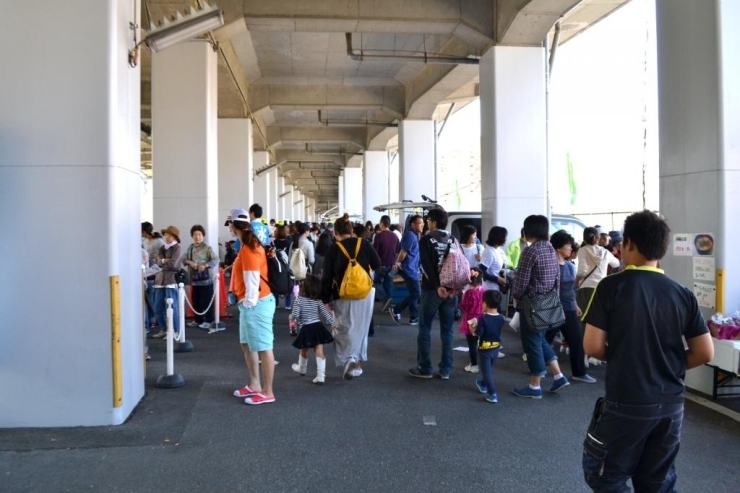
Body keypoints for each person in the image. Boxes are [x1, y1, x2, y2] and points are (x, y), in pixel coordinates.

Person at [581, 210, 713, 492]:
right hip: (671, 405)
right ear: (662, 249)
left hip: (627, 401)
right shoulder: (682, 293)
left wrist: (621, 356)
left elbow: (592, 346)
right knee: (657, 482)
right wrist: (670, 364)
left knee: (607, 477)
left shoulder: (610, 287)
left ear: (628, 244)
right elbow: (704, 352)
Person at [511, 215, 570, 398]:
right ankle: (558, 375)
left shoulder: (530, 252)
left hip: (531, 304)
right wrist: (554, 299)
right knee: (540, 339)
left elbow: (521, 280)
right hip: (548, 303)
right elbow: (557, 279)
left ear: (530, 230)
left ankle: (535, 385)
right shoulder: (552, 250)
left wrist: (516, 296)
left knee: (532, 343)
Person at [321, 214, 381, 380]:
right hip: (365, 293)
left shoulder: (333, 249)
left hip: (342, 293)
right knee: (361, 328)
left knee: (343, 327)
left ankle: (347, 358)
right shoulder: (365, 244)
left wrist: (325, 299)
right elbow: (377, 264)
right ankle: (356, 363)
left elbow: (326, 277)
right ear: (351, 230)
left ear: (336, 233)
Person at [408, 208, 461, 380]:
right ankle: (445, 369)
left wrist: (438, 285)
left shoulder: (426, 240)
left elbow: (425, 266)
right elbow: (460, 265)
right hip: (451, 291)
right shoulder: (454, 240)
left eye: (429, 220)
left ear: (434, 222)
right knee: (447, 331)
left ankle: (425, 368)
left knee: (425, 328)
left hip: (433, 290)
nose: (427, 223)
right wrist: (454, 287)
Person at [231, 214, 277, 405]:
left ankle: (267, 391)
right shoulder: (248, 246)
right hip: (253, 303)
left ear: (235, 227)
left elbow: (252, 280)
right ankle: (255, 384)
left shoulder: (250, 248)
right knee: (248, 344)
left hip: (256, 303)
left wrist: (248, 304)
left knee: (264, 347)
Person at [546, 230, 595, 383]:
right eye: (567, 245)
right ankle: (537, 366)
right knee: (545, 340)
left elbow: (571, 289)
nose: (570, 248)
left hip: (568, 307)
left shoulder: (569, 266)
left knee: (576, 340)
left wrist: (575, 304)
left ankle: (579, 372)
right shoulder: (550, 265)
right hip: (553, 308)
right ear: (559, 247)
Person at [290, 275, 335, 385]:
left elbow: (295, 314)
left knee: (303, 349)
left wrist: (292, 317)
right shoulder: (318, 301)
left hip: (305, 328)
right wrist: (333, 321)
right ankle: (321, 376)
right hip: (317, 327)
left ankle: (302, 368)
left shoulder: (299, 300)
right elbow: (327, 316)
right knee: (319, 351)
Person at [576, 227, 620, 335]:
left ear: (584, 239)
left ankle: (584, 348)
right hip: (601, 288)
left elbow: (582, 270)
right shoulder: (605, 252)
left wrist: (577, 281)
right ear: (598, 238)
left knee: (583, 319)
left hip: (586, 288)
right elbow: (616, 263)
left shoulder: (583, 250)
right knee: (600, 319)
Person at [469, 290, 506, 403]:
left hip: (484, 349)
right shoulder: (501, 318)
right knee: (488, 369)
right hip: (495, 347)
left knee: (486, 372)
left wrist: (472, 329)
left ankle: (492, 393)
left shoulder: (483, 319)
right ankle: (483, 383)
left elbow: (479, 334)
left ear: (485, 303)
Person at [389, 214, 423, 325]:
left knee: (413, 292)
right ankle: (397, 309)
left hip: (413, 269)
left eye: (423, 223)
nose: (422, 225)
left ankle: (413, 317)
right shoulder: (410, 235)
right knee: (416, 293)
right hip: (409, 269)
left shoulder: (415, 235)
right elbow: (403, 252)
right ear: (412, 224)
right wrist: (398, 263)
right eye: (420, 223)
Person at [184, 225, 219, 330]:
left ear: (203, 236)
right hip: (194, 280)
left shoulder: (207, 247)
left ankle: (208, 320)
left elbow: (216, 259)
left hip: (206, 280)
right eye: (195, 234)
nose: (197, 237)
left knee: (207, 301)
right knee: (196, 300)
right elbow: (183, 259)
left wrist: (205, 265)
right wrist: (190, 262)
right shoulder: (190, 247)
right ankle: (198, 320)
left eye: (199, 234)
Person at [151, 226, 183, 338]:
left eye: (170, 236)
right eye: (166, 235)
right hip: (159, 281)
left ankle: (175, 331)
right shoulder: (162, 248)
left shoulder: (177, 248)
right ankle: (164, 329)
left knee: (172, 307)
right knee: (157, 308)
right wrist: (165, 261)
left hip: (171, 280)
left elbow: (174, 265)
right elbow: (156, 262)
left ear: (175, 237)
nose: (167, 238)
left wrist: (162, 261)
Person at [458, 272, 485, 374]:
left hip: (470, 320)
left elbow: (464, 307)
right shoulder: (484, 291)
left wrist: (462, 297)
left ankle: (474, 365)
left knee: (472, 344)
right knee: (481, 342)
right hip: (482, 319)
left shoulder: (469, 293)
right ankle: (484, 363)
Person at [373, 215, 400, 312]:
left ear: (382, 223)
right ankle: (389, 305)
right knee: (389, 285)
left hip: (381, 265)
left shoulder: (378, 236)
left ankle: (385, 299)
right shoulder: (395, 236)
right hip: (392, 265)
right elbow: (397, 251)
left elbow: (375, 252)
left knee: (377, 282)